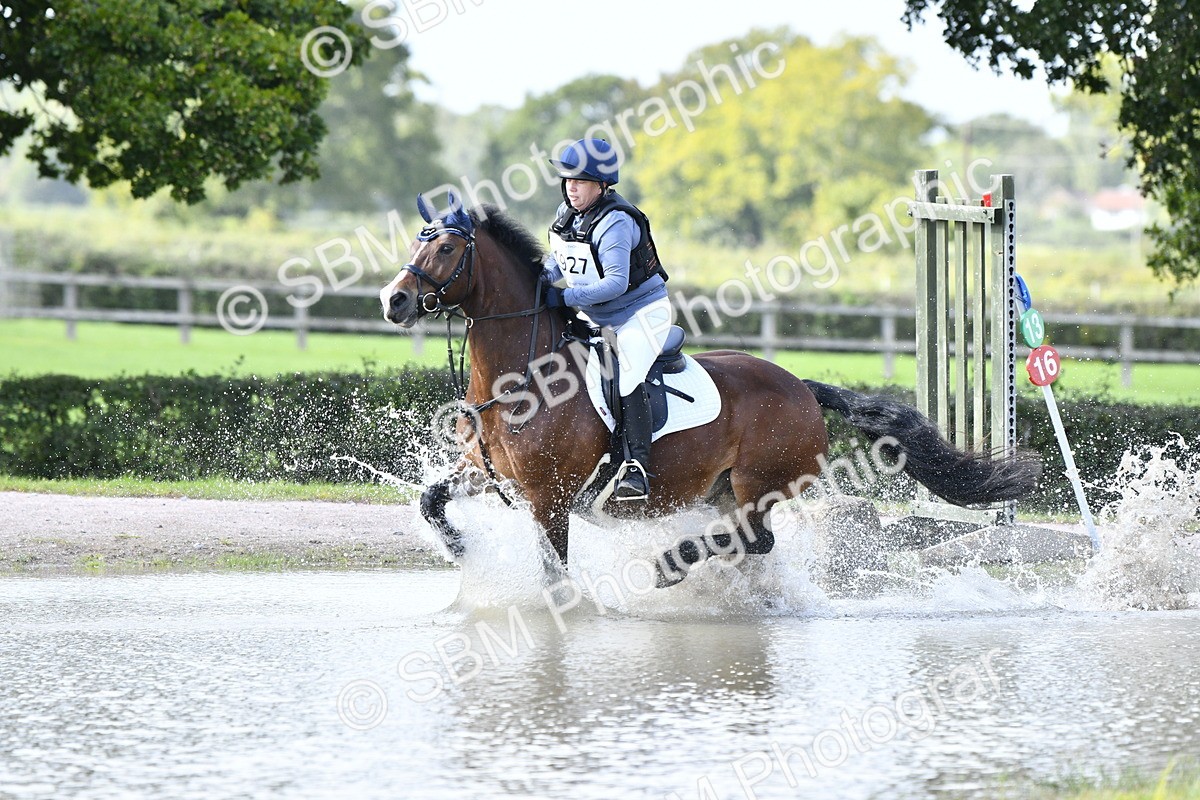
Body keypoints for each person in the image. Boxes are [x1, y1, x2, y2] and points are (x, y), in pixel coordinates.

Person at [540, 138, 671, 502]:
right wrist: (538, 282)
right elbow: (559, 263)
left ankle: (636, 468)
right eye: (568, 180)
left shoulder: (616, 222)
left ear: (601, 185)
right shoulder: (568, 214)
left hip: (640, 314)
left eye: (580, 181)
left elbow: (615, 283)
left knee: (626, 373)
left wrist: (564, 297)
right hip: (596, 314)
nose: (571, 187)